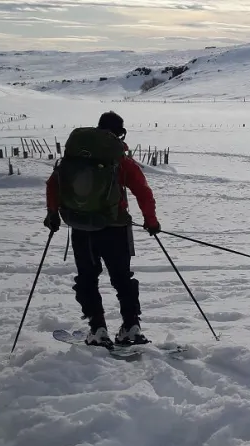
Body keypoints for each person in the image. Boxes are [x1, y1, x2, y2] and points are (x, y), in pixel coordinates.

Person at [43, 111, 161, 347]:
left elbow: (53, 183)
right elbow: (142, 190)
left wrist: (52, 213)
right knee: (122, 278)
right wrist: (151, 221)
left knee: (87, 278)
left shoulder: (76, 157)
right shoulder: (119, 160)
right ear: (120, 133)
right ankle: (131, 327)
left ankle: (98, 329)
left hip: (81, 227)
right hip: (116, 227)